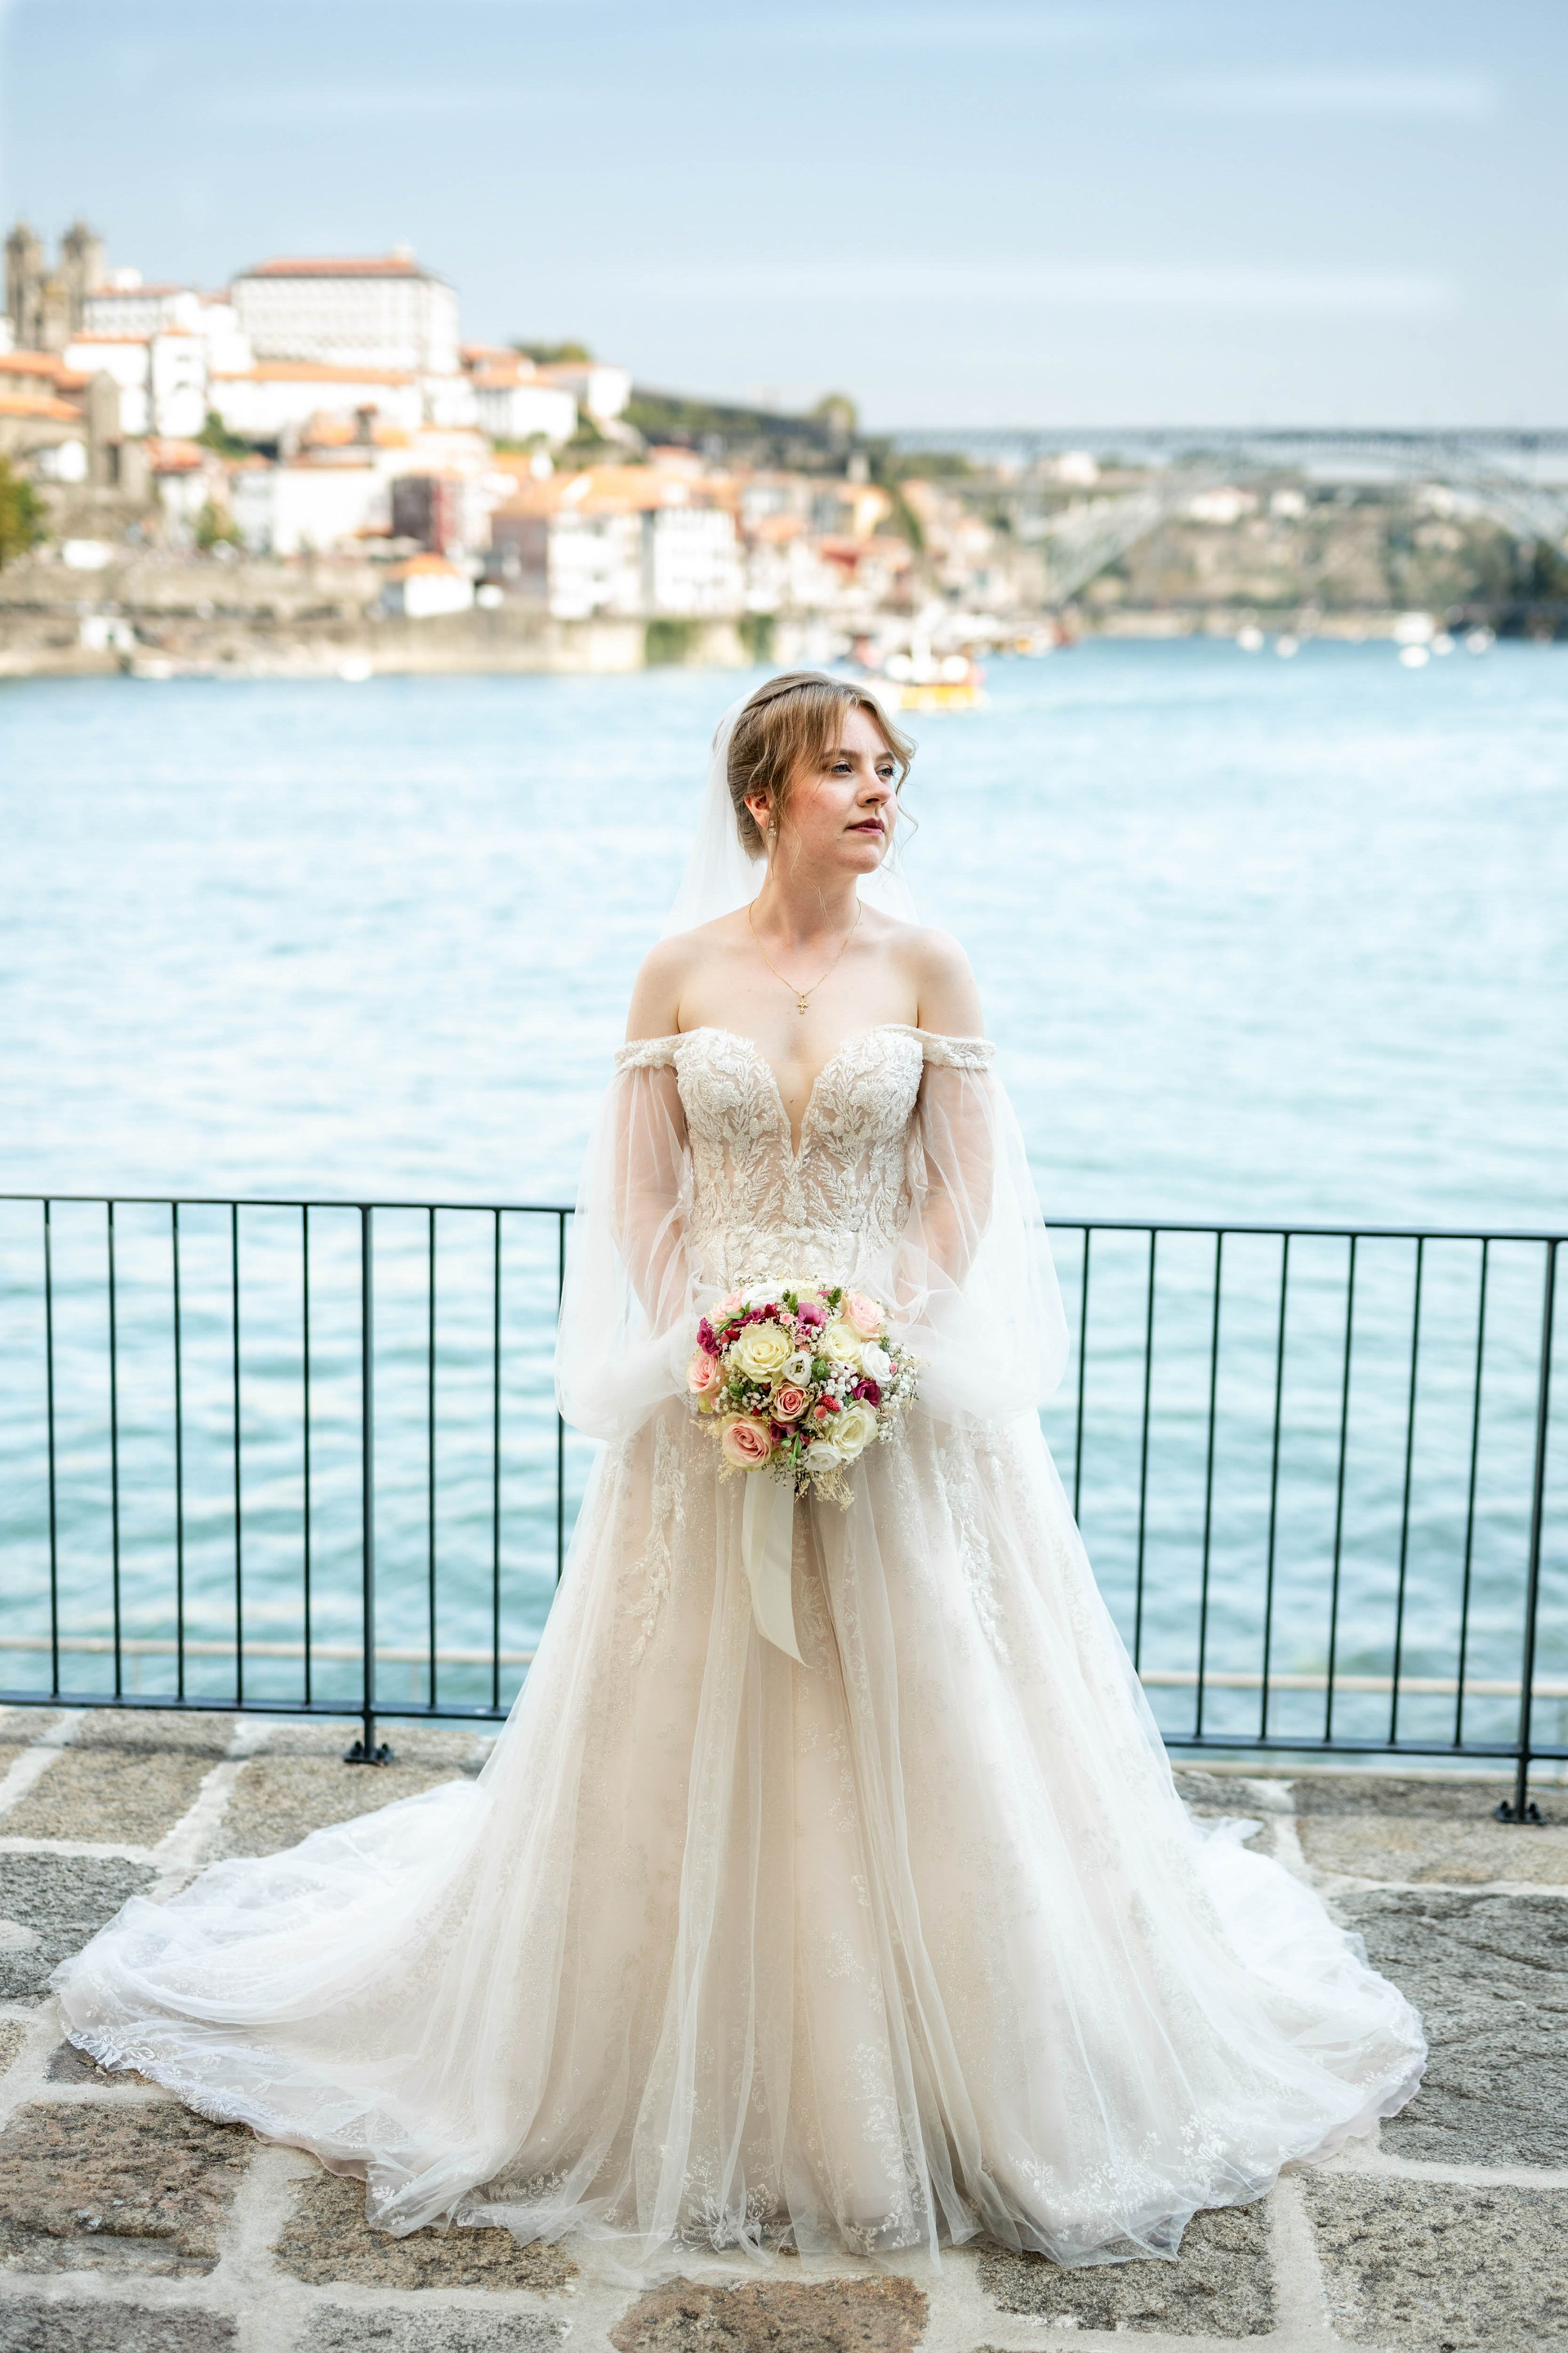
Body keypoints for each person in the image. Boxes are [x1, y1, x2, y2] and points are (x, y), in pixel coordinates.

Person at [54, 671, 1424, 2279]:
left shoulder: (927, 964)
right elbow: (642, 1196)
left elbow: (958, 1191)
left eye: (889, 768)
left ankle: (959, 2055)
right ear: (763, 796)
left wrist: (869, 1332)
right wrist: (708, 1344)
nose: (879, 791)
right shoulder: (679, 970)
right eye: (843, 768)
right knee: (680, 1705)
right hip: (708, 1400)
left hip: (894, 1395)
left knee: (935, 1698)